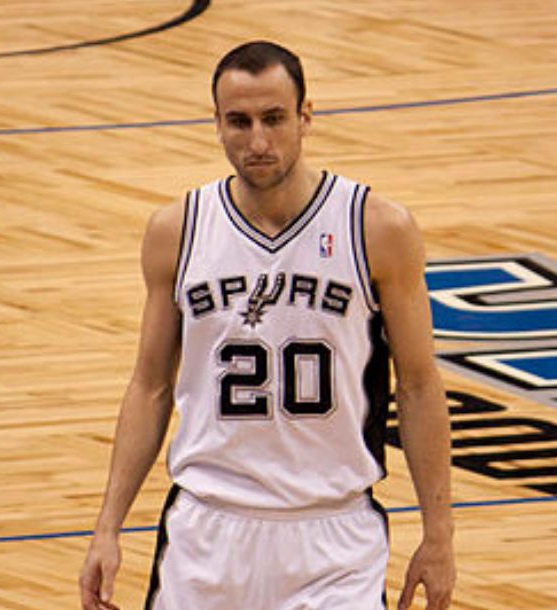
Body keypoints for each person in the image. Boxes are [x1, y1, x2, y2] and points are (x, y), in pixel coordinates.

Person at [79, 40, 455, 610]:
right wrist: (107, 526)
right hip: (206, 533)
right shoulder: (176, 231)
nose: (257, 141)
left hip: (334, 538)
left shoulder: (377, 229)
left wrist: (439, 535)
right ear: (217, 123)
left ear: (306, 116)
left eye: (274, 119)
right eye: (239, 122)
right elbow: (150, 386)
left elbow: (421, 385)